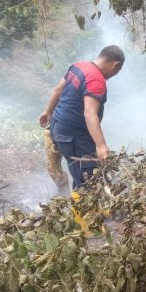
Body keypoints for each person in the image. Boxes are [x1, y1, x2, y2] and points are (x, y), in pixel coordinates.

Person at [38, 45, 124, 190]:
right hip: (74, 137)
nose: (116, 74)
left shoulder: (79, 66)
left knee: (79, 174)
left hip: (57, 128)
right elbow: (89, 112)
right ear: (115, 65)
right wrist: (101, 146)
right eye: (118, 70)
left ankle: (71, 200)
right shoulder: (97, 80)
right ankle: (81, 211)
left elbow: (58, 89)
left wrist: (47, 111)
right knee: (87, 181)